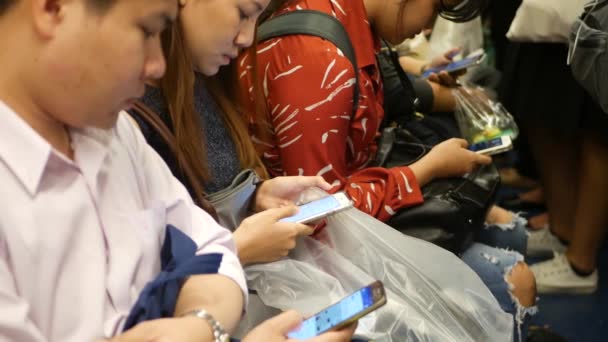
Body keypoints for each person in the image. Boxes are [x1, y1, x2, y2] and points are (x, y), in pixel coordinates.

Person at [0, 0, 356, 341]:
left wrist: (200, 323)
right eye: (146, 29)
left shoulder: (115, 133)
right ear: (53, 7)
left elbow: (211, 250)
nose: (157, 64)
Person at [239, 0, 538, 340]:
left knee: (508, 231)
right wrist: (423, 171)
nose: (427, 28)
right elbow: (319, 212)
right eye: (434, 9)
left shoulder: (352, 25)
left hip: (355, 201)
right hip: (314, 249)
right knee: (514, 279)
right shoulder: (318, 57)